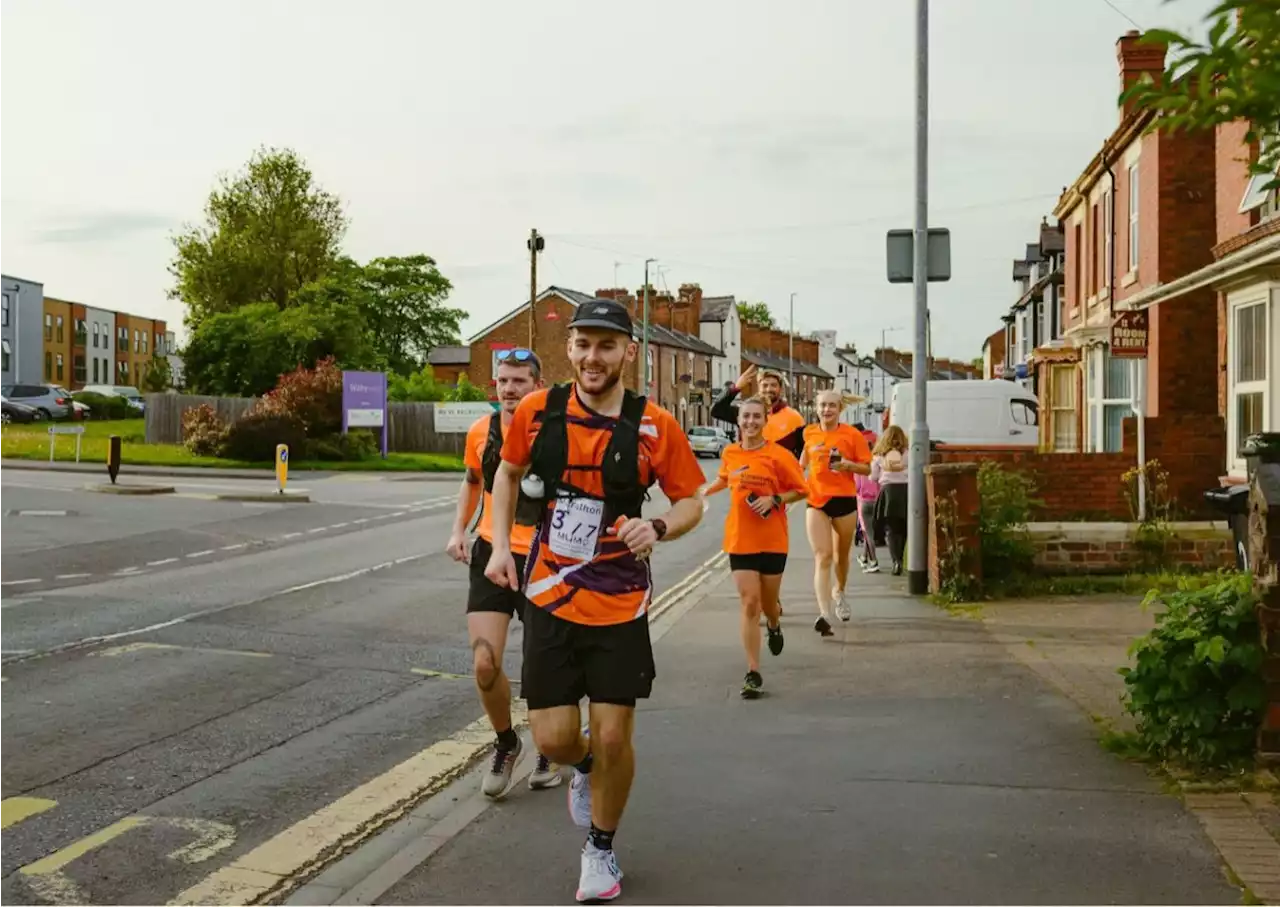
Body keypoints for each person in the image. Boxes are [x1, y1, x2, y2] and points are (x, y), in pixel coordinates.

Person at [484, 299, 706, 904]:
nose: (592, 357)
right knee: (556, 740)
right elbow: (505, 475)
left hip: (620, 601)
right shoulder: (536, 411)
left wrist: (658, 527)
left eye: (606, 346)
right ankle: (581, 769)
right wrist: (501, 547)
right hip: (550, 594)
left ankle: (601, 850)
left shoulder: (656, 424)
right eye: (583, 344)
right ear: (570, 349)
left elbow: (692, 500)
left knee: (613, 737)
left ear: (628, 353)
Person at [446, 348, 561, 798]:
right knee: (484, 663)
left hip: (545, 559)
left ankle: (549, 744)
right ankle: (507, 741)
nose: (510, 389)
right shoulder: (481, 431)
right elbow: (473, 481)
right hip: (493, 554)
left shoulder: (556, 434)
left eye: (520, 381)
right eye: (503, 381)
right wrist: (458, 530)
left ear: (538, 385)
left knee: (542, 668)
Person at [701, 396, 809, 698]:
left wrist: (774, 499)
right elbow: (727, 478)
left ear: (765, 421)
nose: (750, 422)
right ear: (738, 420)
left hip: (773, 539)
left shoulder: (779, 455)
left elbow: (802, 490)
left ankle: (774, 623)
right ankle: (752, 671)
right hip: (740, 538)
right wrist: (700, 493)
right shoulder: (730, 452)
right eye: (745, 416)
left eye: (756, 417)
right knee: (750, 602)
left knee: (768, 604)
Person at [799, 389, 871, 635]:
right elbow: (802, 462)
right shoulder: (809, 432)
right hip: (816, 500)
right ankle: (824, 613)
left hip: (844, 500)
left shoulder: (852, 435)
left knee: (841, 557)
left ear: (840, 408)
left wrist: (848, 465)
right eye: (822, 405)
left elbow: (867, 468)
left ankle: (839, 591)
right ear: (816, 408)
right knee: (823, 556)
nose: (826, 410)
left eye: (831, 405)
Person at [710, 364, 805, 460]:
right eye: (765, 385)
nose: (769, 389)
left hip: (781, 472)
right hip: (750, 470)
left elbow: (804, 450)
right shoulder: (747, 414)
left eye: (773, 385)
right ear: (759, 388)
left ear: (780, 389)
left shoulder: (794, 417)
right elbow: (716, 410)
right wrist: (735, 388)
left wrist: (796, 468)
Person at [870, 425, 910, 576]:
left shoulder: (879, 455)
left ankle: (896, 561)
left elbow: (873, 477)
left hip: (888, 492)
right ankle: (901, 557)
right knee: (904, 527)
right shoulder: (908, 453)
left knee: (891, 529)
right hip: (905, 491)